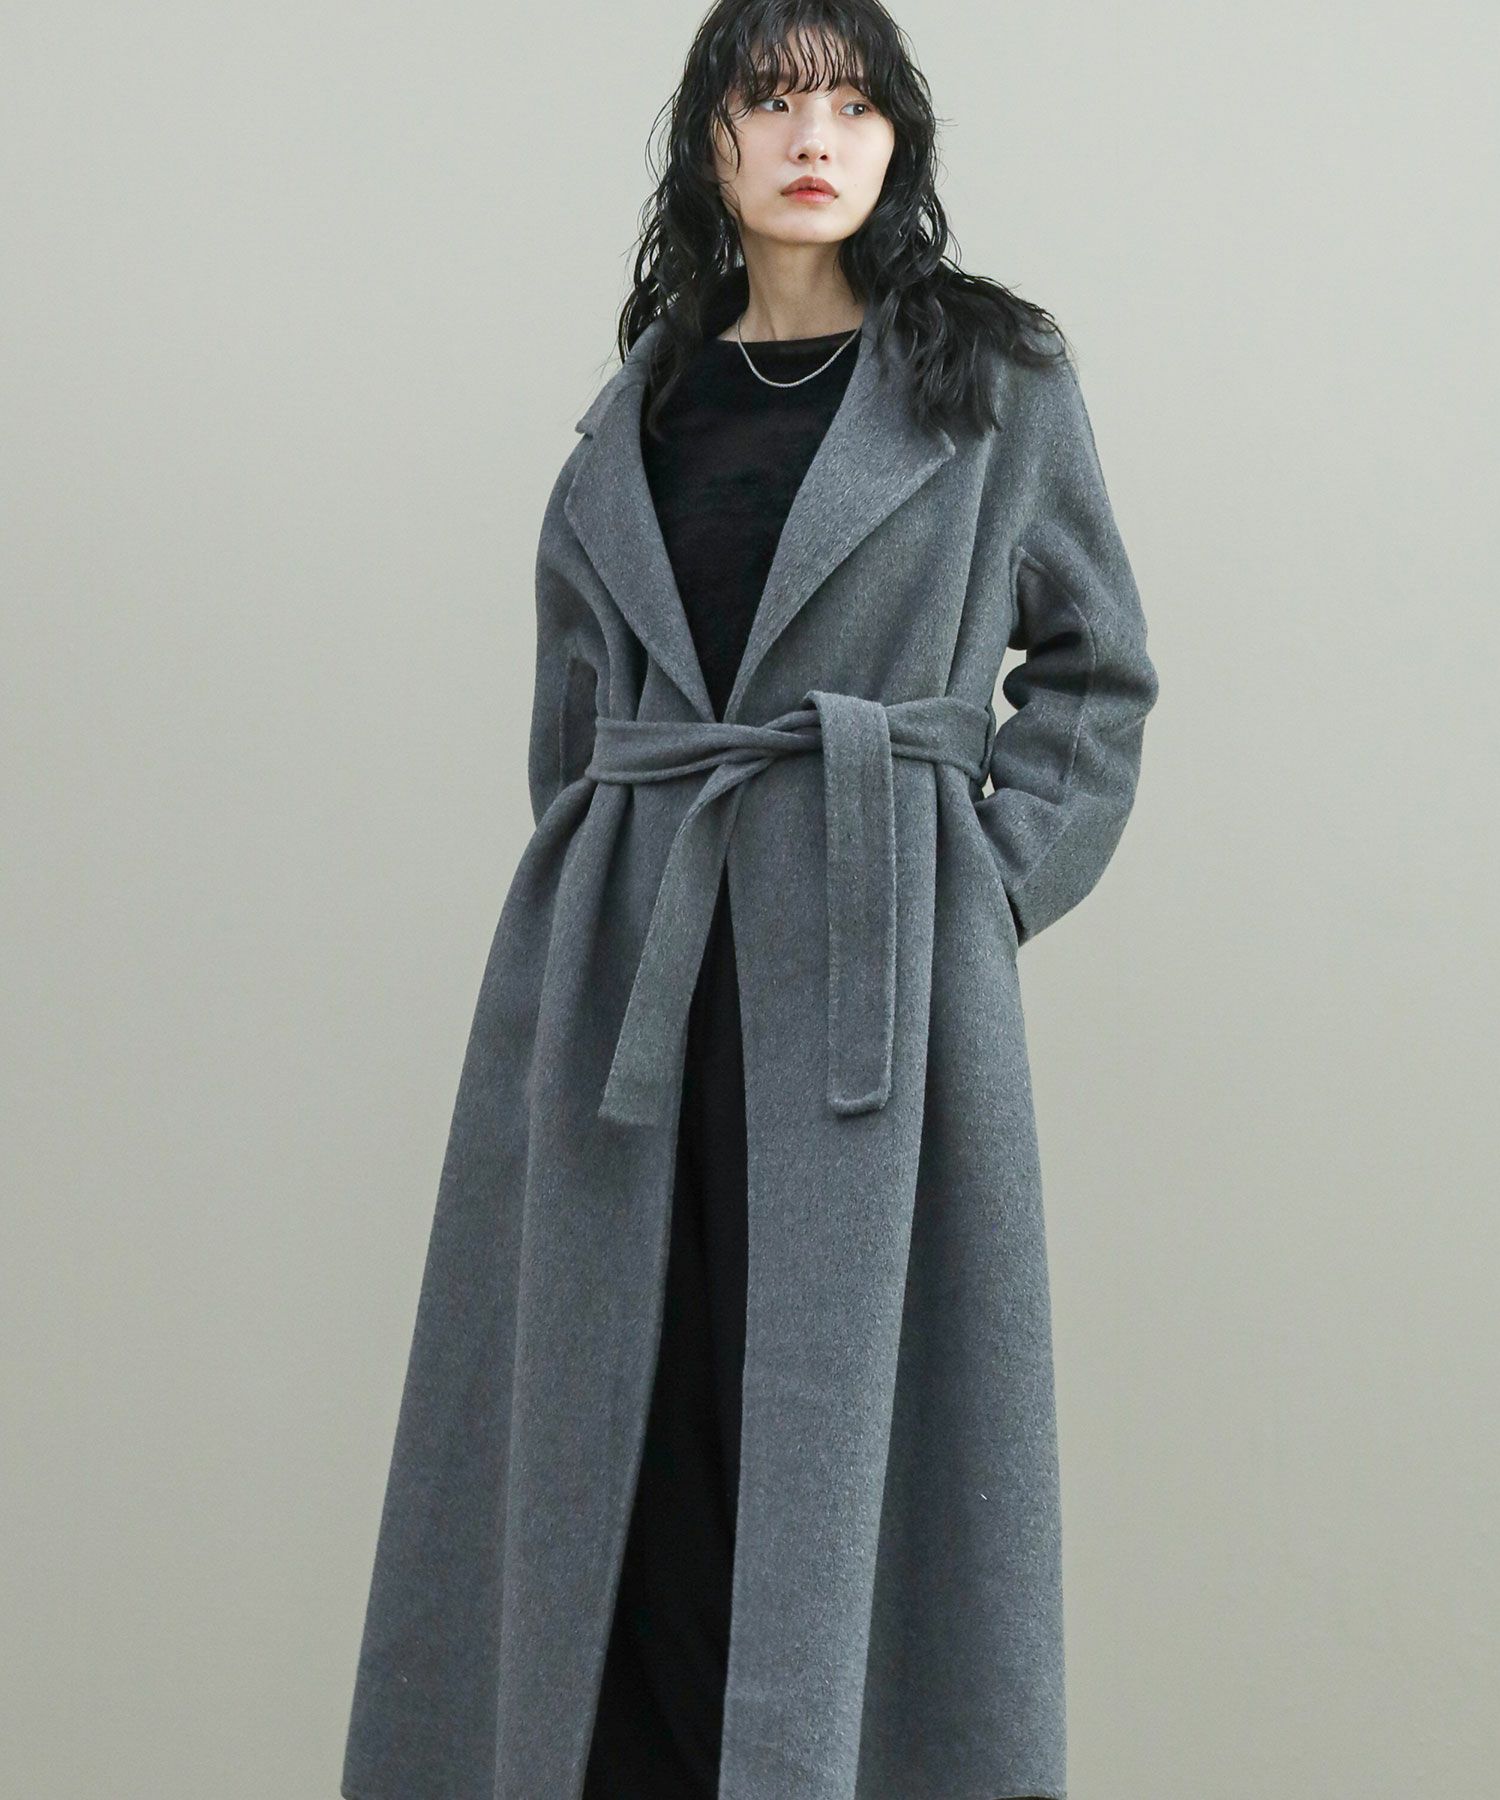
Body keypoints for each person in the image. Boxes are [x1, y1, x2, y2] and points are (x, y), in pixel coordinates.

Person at [342, 3, 1159, 1797]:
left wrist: (974, 893)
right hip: (637, 972)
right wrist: (608, 900)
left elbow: (1099, 674)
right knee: (622, 1426)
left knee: (836, 1425)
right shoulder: (635, 412)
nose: (814, 137)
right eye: (773, 99)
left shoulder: (991, 381)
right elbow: (576, 727)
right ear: (708, 142)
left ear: (898, 143)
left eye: (854, 104)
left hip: (870, 962)